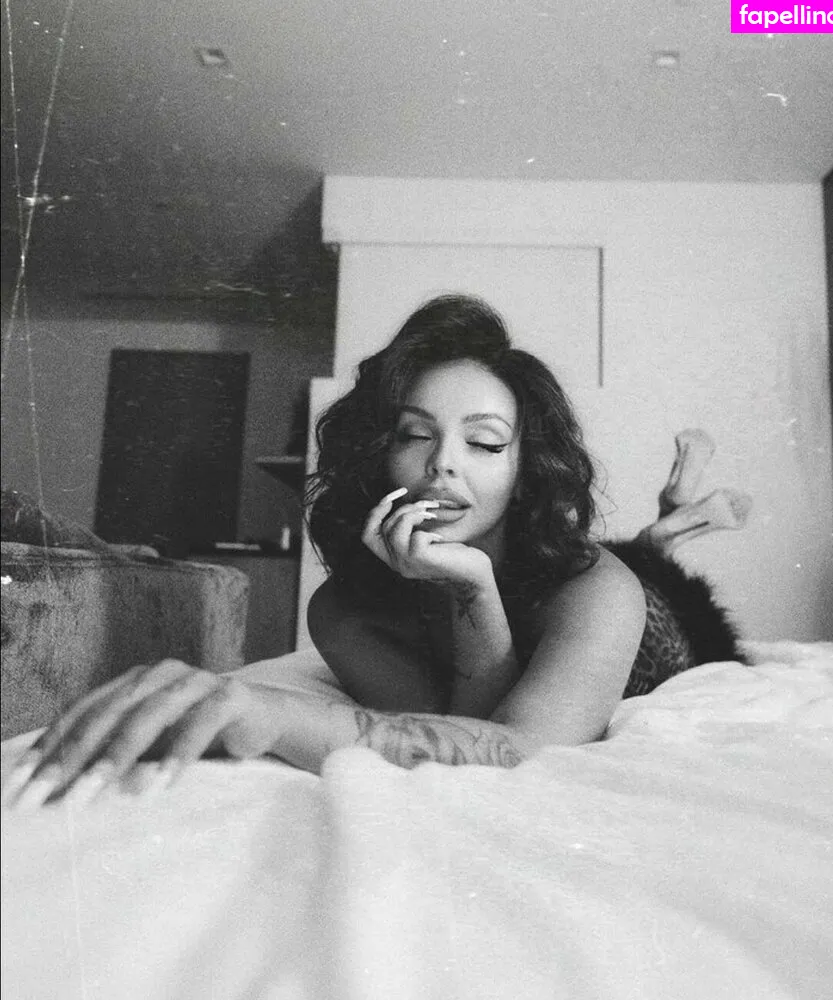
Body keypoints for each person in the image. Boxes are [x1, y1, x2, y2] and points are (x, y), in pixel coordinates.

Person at [3, 295, 748, 810]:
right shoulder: (343, 614)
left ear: (526, 471)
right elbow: (463, 731)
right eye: (415, 434)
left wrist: (276, 713)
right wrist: (468, 588)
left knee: (647, 561)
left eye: (485, 442)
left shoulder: (596, 587)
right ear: (378, 454)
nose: (443, 463)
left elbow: (523, 752)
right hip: (517, 582)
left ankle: (669, 526)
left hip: (657, 616)